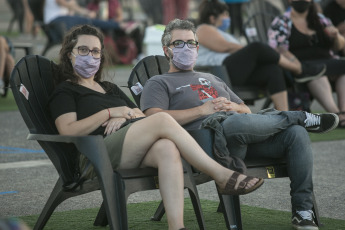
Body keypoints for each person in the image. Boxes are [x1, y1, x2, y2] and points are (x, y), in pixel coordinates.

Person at [48, 24, 264, 230]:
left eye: (95, 51)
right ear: (70, 54)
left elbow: (139, 115)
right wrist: (108, 113)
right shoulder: (66, 91)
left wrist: (123, 115)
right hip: (95, 155)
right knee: (161, 120)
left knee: (167, 148)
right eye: (83, 50)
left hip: (127, 145)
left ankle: (176, 226)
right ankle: (221, 175)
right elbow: (68, 130)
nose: (90, 56)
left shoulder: (108, 88)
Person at [140, 18, 339, 230]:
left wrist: (233, 108)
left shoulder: (212, 78)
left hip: (239, 136)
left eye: (191, 43)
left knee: (296, 134)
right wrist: (203, 110)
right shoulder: (158, 82)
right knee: (234, 125)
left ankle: (302, 211)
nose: (186, 48)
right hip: (205, 143)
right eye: (178, 43)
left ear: (197, 48)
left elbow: (245, 110)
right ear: (166, 50)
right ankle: (299, 116)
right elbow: (154, 119)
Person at [195, 0, 326, 111]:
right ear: (212, 18)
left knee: (272, 70)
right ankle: (299, 69)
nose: (228, 18)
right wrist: (250, 51)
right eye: (225, 14)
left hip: (234, 73)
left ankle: (285, 116)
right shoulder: (203, 28)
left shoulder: (222, 32)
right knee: (256, 47)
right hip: (219, 74)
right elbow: (225, 47)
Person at [268, 0, 345, 128]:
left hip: (328, 61)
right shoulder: (282, 22)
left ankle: (343, 111)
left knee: (342, 68)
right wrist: (294, 63)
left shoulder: (320, 20)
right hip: (302, 66)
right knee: (317, 72)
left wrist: (336, 35)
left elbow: (340, 46)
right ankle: (336, 114)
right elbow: (276, 48)